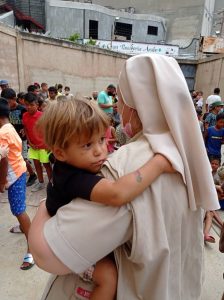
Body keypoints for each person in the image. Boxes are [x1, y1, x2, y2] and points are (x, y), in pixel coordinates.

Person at [29, 54, 220, 300]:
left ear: (134, 103)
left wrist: (44, 206)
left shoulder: (126, 167)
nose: (117, 107)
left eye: (120, 99)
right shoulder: (188, 156)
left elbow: (48, 254)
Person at [36, 97, 174, 300]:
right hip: (70, 251)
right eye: (87, 145)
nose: (100, 151)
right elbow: (117, 193)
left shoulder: (73, 165)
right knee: (108, 276)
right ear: (60, 153)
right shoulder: (72, 178)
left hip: (75, 238)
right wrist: (159, 164)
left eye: (101, 139)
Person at [0, 97, 34, 270]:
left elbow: (3, 161)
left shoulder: (2, 133)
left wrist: (2, 182)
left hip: (13, 175)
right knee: (18, 208)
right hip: (18, 171)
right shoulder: (8, 127)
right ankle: (23, 227)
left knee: (19, 210)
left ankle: (33, 248)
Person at [1, 88, 37, 186]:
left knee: (23, 158)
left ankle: (32, 174)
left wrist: (25, 129)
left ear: (14, 99)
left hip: (22, 138)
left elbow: (28, 121)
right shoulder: (6, 110)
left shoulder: (22, 109)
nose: (6, 104)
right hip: (11, 137)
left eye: (8, 102)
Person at [22, 92, 52, 192]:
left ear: (37, 105)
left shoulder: (42, 116)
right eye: (26, 105)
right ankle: (40, 182)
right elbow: (26, 130)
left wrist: (48, 144)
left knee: (47, 165)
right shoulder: (25, 116)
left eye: (32, 105)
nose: (29, 107)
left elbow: (49, 130)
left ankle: (52, 183)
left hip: (44, 146)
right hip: (33, 146)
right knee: (36, 164)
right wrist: (30, 143)